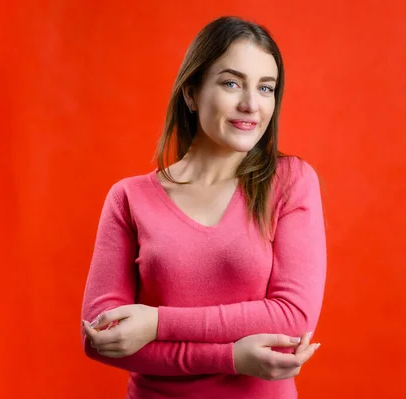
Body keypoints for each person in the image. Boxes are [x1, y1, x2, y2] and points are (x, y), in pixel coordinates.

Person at [80, 15, 327, 399]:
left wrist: (156, 323)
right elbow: (101, 338)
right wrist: (231, 357)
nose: (250, 104)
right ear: (191, 92)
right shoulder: (129, 198)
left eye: (266, 87)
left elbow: (291, 318)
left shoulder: (290, 181)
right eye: (231, 83)